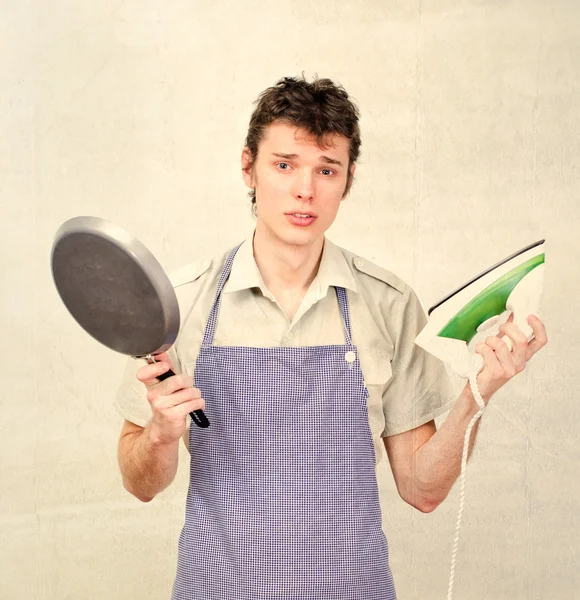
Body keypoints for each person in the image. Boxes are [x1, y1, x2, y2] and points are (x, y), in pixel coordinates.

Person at [115, 75, 548, 600]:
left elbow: (422, 489)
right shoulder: (179, 304)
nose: (305, 190)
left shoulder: (389, 304)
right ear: (248, 167)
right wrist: (161, 433)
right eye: (284, 165)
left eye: (326, 169)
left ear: (348, 178)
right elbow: (140, 485)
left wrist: (479, 392)